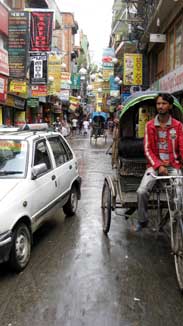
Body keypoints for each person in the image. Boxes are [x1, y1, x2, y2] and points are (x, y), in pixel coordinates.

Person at [136, 93, 183, 231]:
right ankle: (143, 220)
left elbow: (181, 147)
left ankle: (176, 217)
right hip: (154, 166)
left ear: (170, 106)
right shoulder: (150, 125)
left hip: (173, 165)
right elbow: (147, 149)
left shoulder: (178, 126)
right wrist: (159, 165)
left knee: (179, 194)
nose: (160, 106)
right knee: (142, 191)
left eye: (163, 103)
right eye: (158, 104)